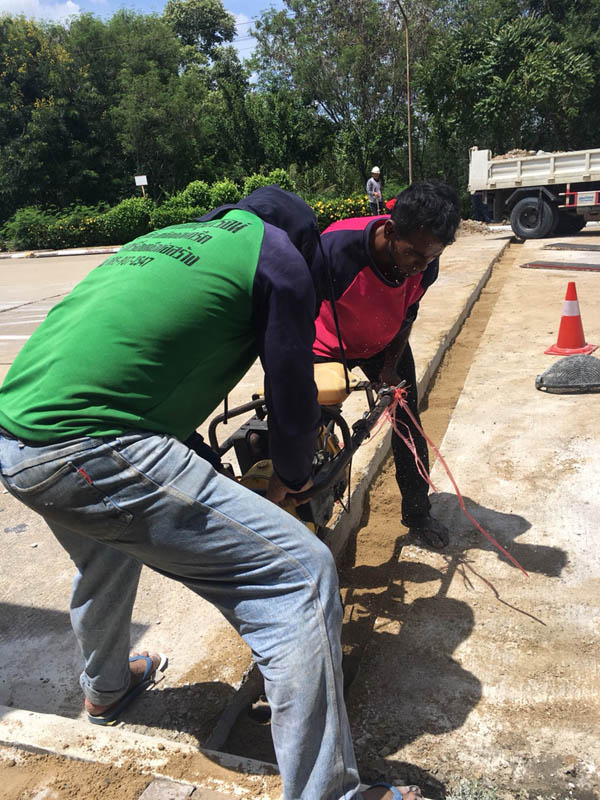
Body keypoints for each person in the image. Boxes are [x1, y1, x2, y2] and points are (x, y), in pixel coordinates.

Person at [0, 185, 420, 800]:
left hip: (18, 443)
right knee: (300, 576)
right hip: (89, 449)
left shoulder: (164, 241)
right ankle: (328, 793)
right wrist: (293, 475)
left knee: (107, 550)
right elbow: (290, 386)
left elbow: (140, 361)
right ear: (304, 243)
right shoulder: (282, 259)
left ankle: (107, 688)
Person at [312, 181, 461, 549]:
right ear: (391, 231)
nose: (420, 267)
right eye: (413, 255)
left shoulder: (424, 261)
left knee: (408, 421)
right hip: (327, 343)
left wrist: (390, 366)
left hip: (384, 343)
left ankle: (418, 513)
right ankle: (305, 514)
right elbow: (296, 311)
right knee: (309, 426)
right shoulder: (336, 249)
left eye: (431, 257)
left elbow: (408, 311)